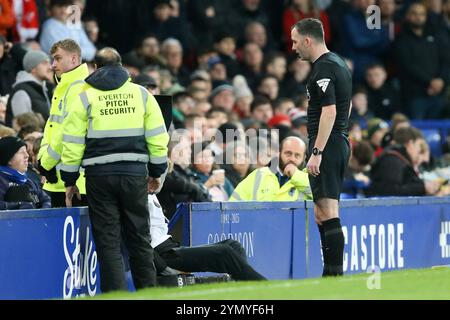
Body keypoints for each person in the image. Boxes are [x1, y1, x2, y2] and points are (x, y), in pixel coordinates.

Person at [59, 47, 169, 293]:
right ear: (122, 66)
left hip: (99, 178)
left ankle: (115, 297)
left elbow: (72, 143)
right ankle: (149, 294)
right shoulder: (141, 94)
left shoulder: (84, 97)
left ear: (95, 68)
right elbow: (158, 138)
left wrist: (69, 179)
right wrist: (156, 172)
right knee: (139, 238)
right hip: (134, 175)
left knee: (108, 241)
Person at [291, 18, 352, 276]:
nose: (293, 47)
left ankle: (334, 275)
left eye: (295, 42)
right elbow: (345, 107)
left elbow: (329, 111)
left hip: (327, 144)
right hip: (336, 141)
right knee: (321, 213)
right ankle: (330, 272)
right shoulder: (338, 62)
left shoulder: (323, 69)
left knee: (327, 211)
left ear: (307, 40)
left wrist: (317, 152)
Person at [148, 193, 266, 281]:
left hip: (171, 247)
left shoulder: (149, 190)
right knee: (224, 252)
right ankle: (268, 289)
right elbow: (138, 239)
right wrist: (162, 267)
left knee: (234, 245)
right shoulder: (137, 193)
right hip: (162, 255)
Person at [37, 39, 88, 208]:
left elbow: (67, 131)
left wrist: (46, 162)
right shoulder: (65, 86)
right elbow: (51, 129)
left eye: (58, 59)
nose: (53, 65)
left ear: (74, 59)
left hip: (73, 183)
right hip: (60, 178)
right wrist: (43, 158)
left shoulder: (78, 88)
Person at [230, 136, 312, 201]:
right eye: (288, 154)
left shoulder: (310, 177)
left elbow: (319, 196)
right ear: (279, 153)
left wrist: (296, 175)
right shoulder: (259, 174)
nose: (292, 159)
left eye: (297, 155)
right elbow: (234, 204)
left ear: (304, 158)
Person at [366, 127, 441, 197]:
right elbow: (390, 191)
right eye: (419, 146)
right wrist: (422, 188)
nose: (419, 152)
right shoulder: (392, 160)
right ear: (411, 144)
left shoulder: (401, 160)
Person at [0, 136, 51, 210]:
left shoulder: (28, 181)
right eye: (21, 152)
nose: (27, 155)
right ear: (8, 159)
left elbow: (46, 199)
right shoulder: (1, 181)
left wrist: (43, 211)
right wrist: (19, 207)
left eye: (26, 151)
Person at [5, 50, 53, 127]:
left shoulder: (45, 89)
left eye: (49, 63)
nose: (50, 67)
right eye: (44, 63)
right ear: (33, 68)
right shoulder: (21, 92)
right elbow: (24, 128)